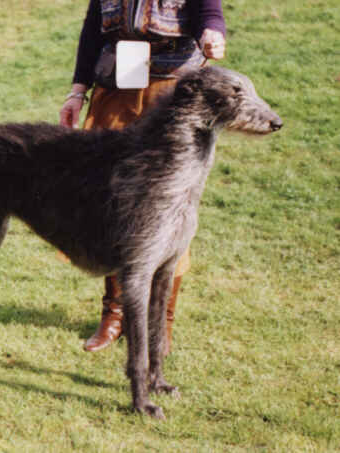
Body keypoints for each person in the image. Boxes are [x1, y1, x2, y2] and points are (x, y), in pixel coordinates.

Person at [59, 0, 226, 354]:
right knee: (111, 204)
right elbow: (93, 30)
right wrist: (77, 91)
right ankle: (114, 315)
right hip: (115, 89)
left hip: (173, 93)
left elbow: (209, 12)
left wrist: (213, 33)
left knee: (170, 209)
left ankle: (160, 324)